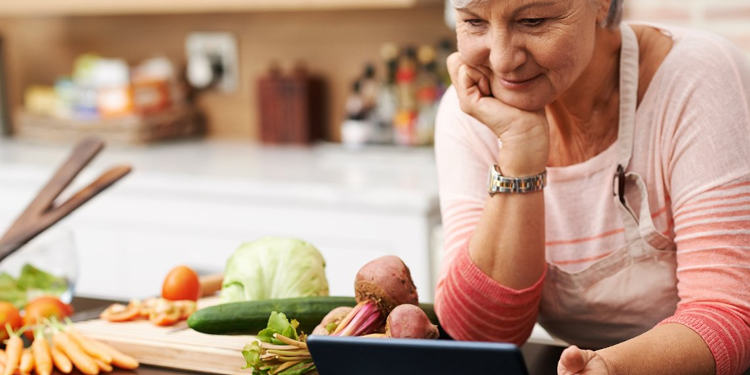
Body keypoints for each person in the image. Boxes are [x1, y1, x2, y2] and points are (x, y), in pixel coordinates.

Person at [433, 0, 750, 374]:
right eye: (473, 22)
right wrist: (520, 152)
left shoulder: (698, 77)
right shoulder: (471, 109)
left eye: (534, 20)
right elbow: (482, 337)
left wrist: (609, 368)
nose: (502, 61)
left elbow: (729, 313)